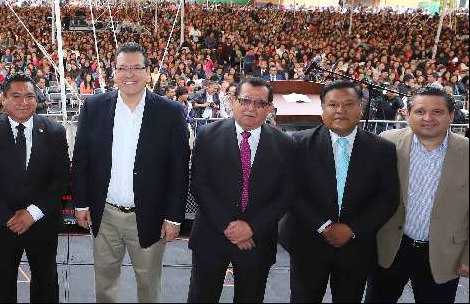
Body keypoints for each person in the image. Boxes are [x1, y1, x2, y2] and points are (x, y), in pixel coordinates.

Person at [73, 42, 190, 303]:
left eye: (137, 67)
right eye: (123, 68)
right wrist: (80, 203)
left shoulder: (170, 113)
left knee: (148, 286)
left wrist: (173, 217)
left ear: (148, 72)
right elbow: (81, 160)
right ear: (113, 72)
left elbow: (179, 170)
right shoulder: (94, 107)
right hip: (106, 215)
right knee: (104, 285)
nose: (129, 74)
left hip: (150, 215)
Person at [279, 81, 399, 303]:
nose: (340, 111)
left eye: (349, 104)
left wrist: (351, 229)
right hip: (308, 242)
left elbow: (387, 198)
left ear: (360, 109)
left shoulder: (382, 149)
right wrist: (325, 227)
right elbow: (290, 191)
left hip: (356, 246)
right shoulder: (298, 143)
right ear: (322, 109)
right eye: (333, 104)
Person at [188, 77, 295, 303]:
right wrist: (229, 227)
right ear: (233, 101)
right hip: (211, 236)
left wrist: (251, 228)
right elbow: (199, 184)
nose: (250, 108)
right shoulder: (208, 135)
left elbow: (285, 195)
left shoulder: (285, 144)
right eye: (245, 100)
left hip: (257, 240)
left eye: (259, 103)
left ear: (269, 109)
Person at [0, 73, 70, 303]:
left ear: (37, 99)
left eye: (29, 96)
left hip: (42, 222)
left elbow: (61, 178)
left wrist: (32, 214)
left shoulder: (55, 131)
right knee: (3, 283)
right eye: (16, 96)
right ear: (3, 99)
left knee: (45, 281)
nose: (24, 101)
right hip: (2, 224)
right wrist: (8, 217)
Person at [367, 87, 469, 303]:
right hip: (391, 247)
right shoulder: (387, 142)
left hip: (443, 254)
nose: (428, 118)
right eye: (420, 111)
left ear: (451, 115)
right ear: (407, 113)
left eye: (438, 112)